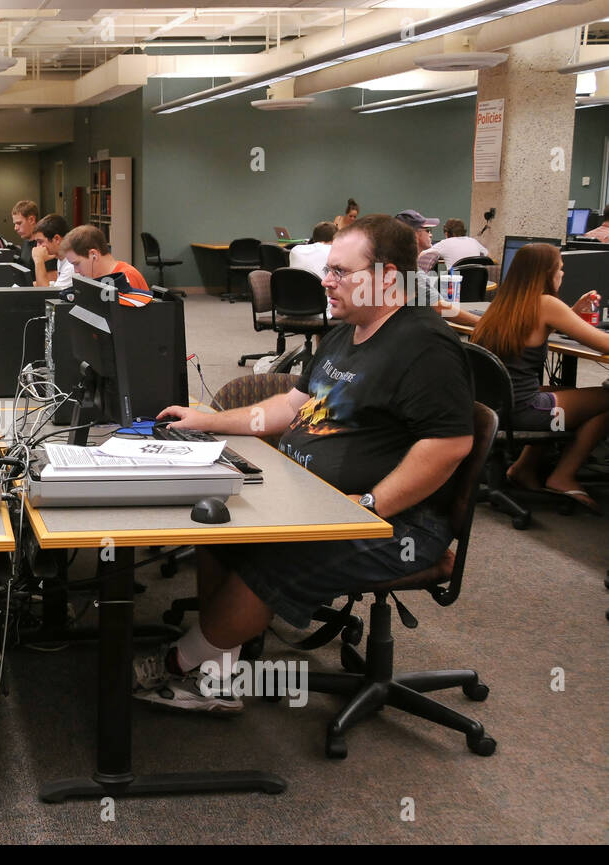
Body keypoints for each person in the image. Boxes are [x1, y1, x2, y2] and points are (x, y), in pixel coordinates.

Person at [134, 214, 474, 713]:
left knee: (275, 558)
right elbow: (291, 406)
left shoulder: (425, 346)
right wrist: (207, 420)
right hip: (313, 495)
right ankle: (218, 673)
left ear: (387, 277)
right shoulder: (346, 331)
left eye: (340, 271)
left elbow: (448, 446)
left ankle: (179, 663)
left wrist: (368, 506)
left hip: (396, 521)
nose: (326, 282)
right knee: (217, 523)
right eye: (327, 269)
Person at [471, 242, 609, 512]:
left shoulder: (505, 303)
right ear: (546, 273)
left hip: (496, 407)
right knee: (606, 399)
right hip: (525, 412)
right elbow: (604, 344)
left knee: (565, 392)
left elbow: (540, 325)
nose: (562, 274)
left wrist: (572, 312)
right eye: (559, 268)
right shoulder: (546, 304)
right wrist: (568, 313)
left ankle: (523, 469)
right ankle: (562, 476)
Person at [61, 224, 151, 306]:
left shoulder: (127, 277)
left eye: (77, 264)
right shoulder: (98, 279)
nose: (76, 270)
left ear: (94, 254)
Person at [418, 218, 489, 272]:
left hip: (454, 284)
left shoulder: (445, 243)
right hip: (476, 284)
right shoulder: (473, 241)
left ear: (446, 233)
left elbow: (422, 254)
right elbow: (487, 255)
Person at [30, 213, 73, 289]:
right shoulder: (61, 259)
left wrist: (39, 260)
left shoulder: (71, 265)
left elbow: (47, 294)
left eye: (40, 242)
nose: (37, 247)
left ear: (56, 239)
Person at [11, 199, 39, 268]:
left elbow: (51, 275)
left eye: (19, 223)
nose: (15, 228)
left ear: (31, 220)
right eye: (15, 224)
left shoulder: (43, 245)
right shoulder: (26, 241)